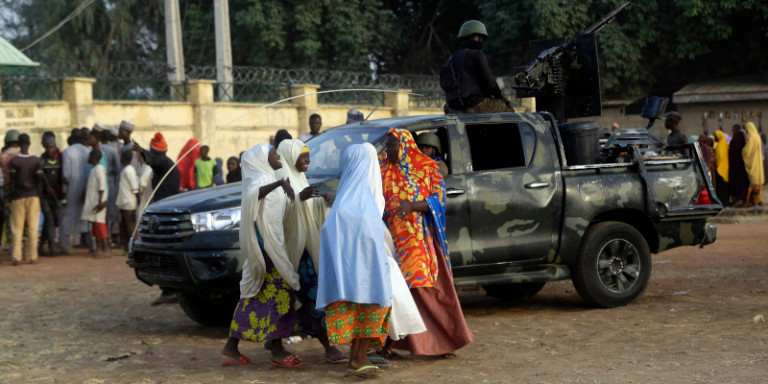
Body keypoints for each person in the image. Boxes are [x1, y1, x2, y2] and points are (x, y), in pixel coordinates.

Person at [379, 128, 474, 359]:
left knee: (423, 292)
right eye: (387, 145)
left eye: (392, 145)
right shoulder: (382, 170)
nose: (387, 150)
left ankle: (444, 341)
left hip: (418, 242)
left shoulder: (427, 168)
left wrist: (412, 206)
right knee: (395, 295)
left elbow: (438, 200)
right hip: (389, 242)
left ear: (404, 146)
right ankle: (386, 347)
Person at [316, 144, 393, 378]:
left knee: (356, 315)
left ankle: (356, 358)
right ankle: (358, 358)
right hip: (367, 279)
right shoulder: (364, 205)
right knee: (367, 314)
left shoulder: (341, 205)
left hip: (344, 282)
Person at [220, 143, 300, 368]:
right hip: (266, 251)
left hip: (273, 247)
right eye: (273, 154)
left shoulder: (269, 180)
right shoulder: (258, 182)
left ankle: (232, 347)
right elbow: (253, 197)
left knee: (255, 296)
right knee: (278, 296)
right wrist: (279, 183)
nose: (278, 157)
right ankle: (276, 349)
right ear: (262, 160)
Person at [275, 139, 349, 364]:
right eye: (303, 156)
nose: (307, 160)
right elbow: (277, 216)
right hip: (291, 253)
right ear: (290, 157)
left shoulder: (300, 180)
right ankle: (328, 345)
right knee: (309, 297)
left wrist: (321, 203)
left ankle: (284, 340)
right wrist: (298, 200)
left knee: (310, 298)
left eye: (308, 156)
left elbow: (306, 212)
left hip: (306, 249)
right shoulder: (280, 182)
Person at [132, 133, 181, 304]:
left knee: (163, 252)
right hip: (166, 214)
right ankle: (169, 290)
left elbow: (156, 159)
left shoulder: (163, 164)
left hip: (167, 216)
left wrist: (143, 151)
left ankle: (170, 290)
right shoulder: (164, 167)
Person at [442, 20, 513, 114]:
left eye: (482, 38)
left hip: (452, 107)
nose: (480, 40)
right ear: (469, 37)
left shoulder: (451, 59)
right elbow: (491, 85)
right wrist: (500, 97)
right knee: (508, 110)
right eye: (478, 37)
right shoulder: (477, 55)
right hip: (473, 104)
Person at [8, 134, 42, 265]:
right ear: (29, 143)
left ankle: (16, 257)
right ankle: (32, 256)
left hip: (18, 196)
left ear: (18, 144)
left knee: (17, 228)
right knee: (33, 227)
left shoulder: (14, 161)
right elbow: (39, 181)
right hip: (33, 196)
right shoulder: (36, 161)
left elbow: (12, 181)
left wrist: (10, 195)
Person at [60, 128, 91, 255]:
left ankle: (66, 247)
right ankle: (92, 245)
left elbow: (66, 174)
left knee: (68, 216)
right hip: (87, 188)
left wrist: (64, 191)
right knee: (87, 217)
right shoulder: (88, 150)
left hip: (72, 188)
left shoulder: (67, 151)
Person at [132, 133, 180, 203]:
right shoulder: (162, 163)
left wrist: (142, 150)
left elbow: (155, 158)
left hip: (167, 201)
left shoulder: (162, 161)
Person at [82, 149, 109, 258]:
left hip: (98, 202)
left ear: (93, 157)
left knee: (100, 225)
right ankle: (98, 248)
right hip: (92, 202)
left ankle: (106, 249)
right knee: (95, 226)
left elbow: (102, 185)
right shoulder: (93, 169)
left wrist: (101, 201)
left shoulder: (99, 169)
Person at [39, 134, 64, 255]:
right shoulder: (41, 160)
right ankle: (51, 245)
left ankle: (41, 245)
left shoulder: (60, 159)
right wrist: (45, 188)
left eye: (52, 147)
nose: (50, 149)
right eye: (48, 147)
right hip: (45, 196)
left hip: (57, 196)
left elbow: (61, 176)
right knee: (49, 219)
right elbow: (39, 179)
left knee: (51, 221)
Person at [116, 150, 140, 252]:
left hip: (129, 202)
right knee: (124, 226)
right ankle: (126, 248)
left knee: (130, 227)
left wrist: (137, 199)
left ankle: (134, 249)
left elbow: (135, 187)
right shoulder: (126, 169)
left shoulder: (129, 170)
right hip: (124, 202)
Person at [743, 122, 764, 206]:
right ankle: (759, 200)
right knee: (758, 181)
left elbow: (746, 152)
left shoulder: (751, 138)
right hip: (758, 163)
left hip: (753, 163)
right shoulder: (758, 137)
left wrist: (742, 150)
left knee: (753, 181)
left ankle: (753, 201)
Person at [728, 124, 749, 207]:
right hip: (743, 166)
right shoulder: (742, 138)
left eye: (733, 129)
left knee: (737, 183)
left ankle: (737, 199)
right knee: (742, 182)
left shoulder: (735, 139)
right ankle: (743, 199)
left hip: (735, 167)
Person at [713, 130, 730, 206]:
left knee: (721, 188)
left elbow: (719, 157)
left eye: (715, 136)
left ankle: (722, 203)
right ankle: (726, 202)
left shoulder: (719, 145)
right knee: (725, 187)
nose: (714, 137)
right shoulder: (725, 144)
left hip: (720, 169)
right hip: (726, 168)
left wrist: (716, 165)